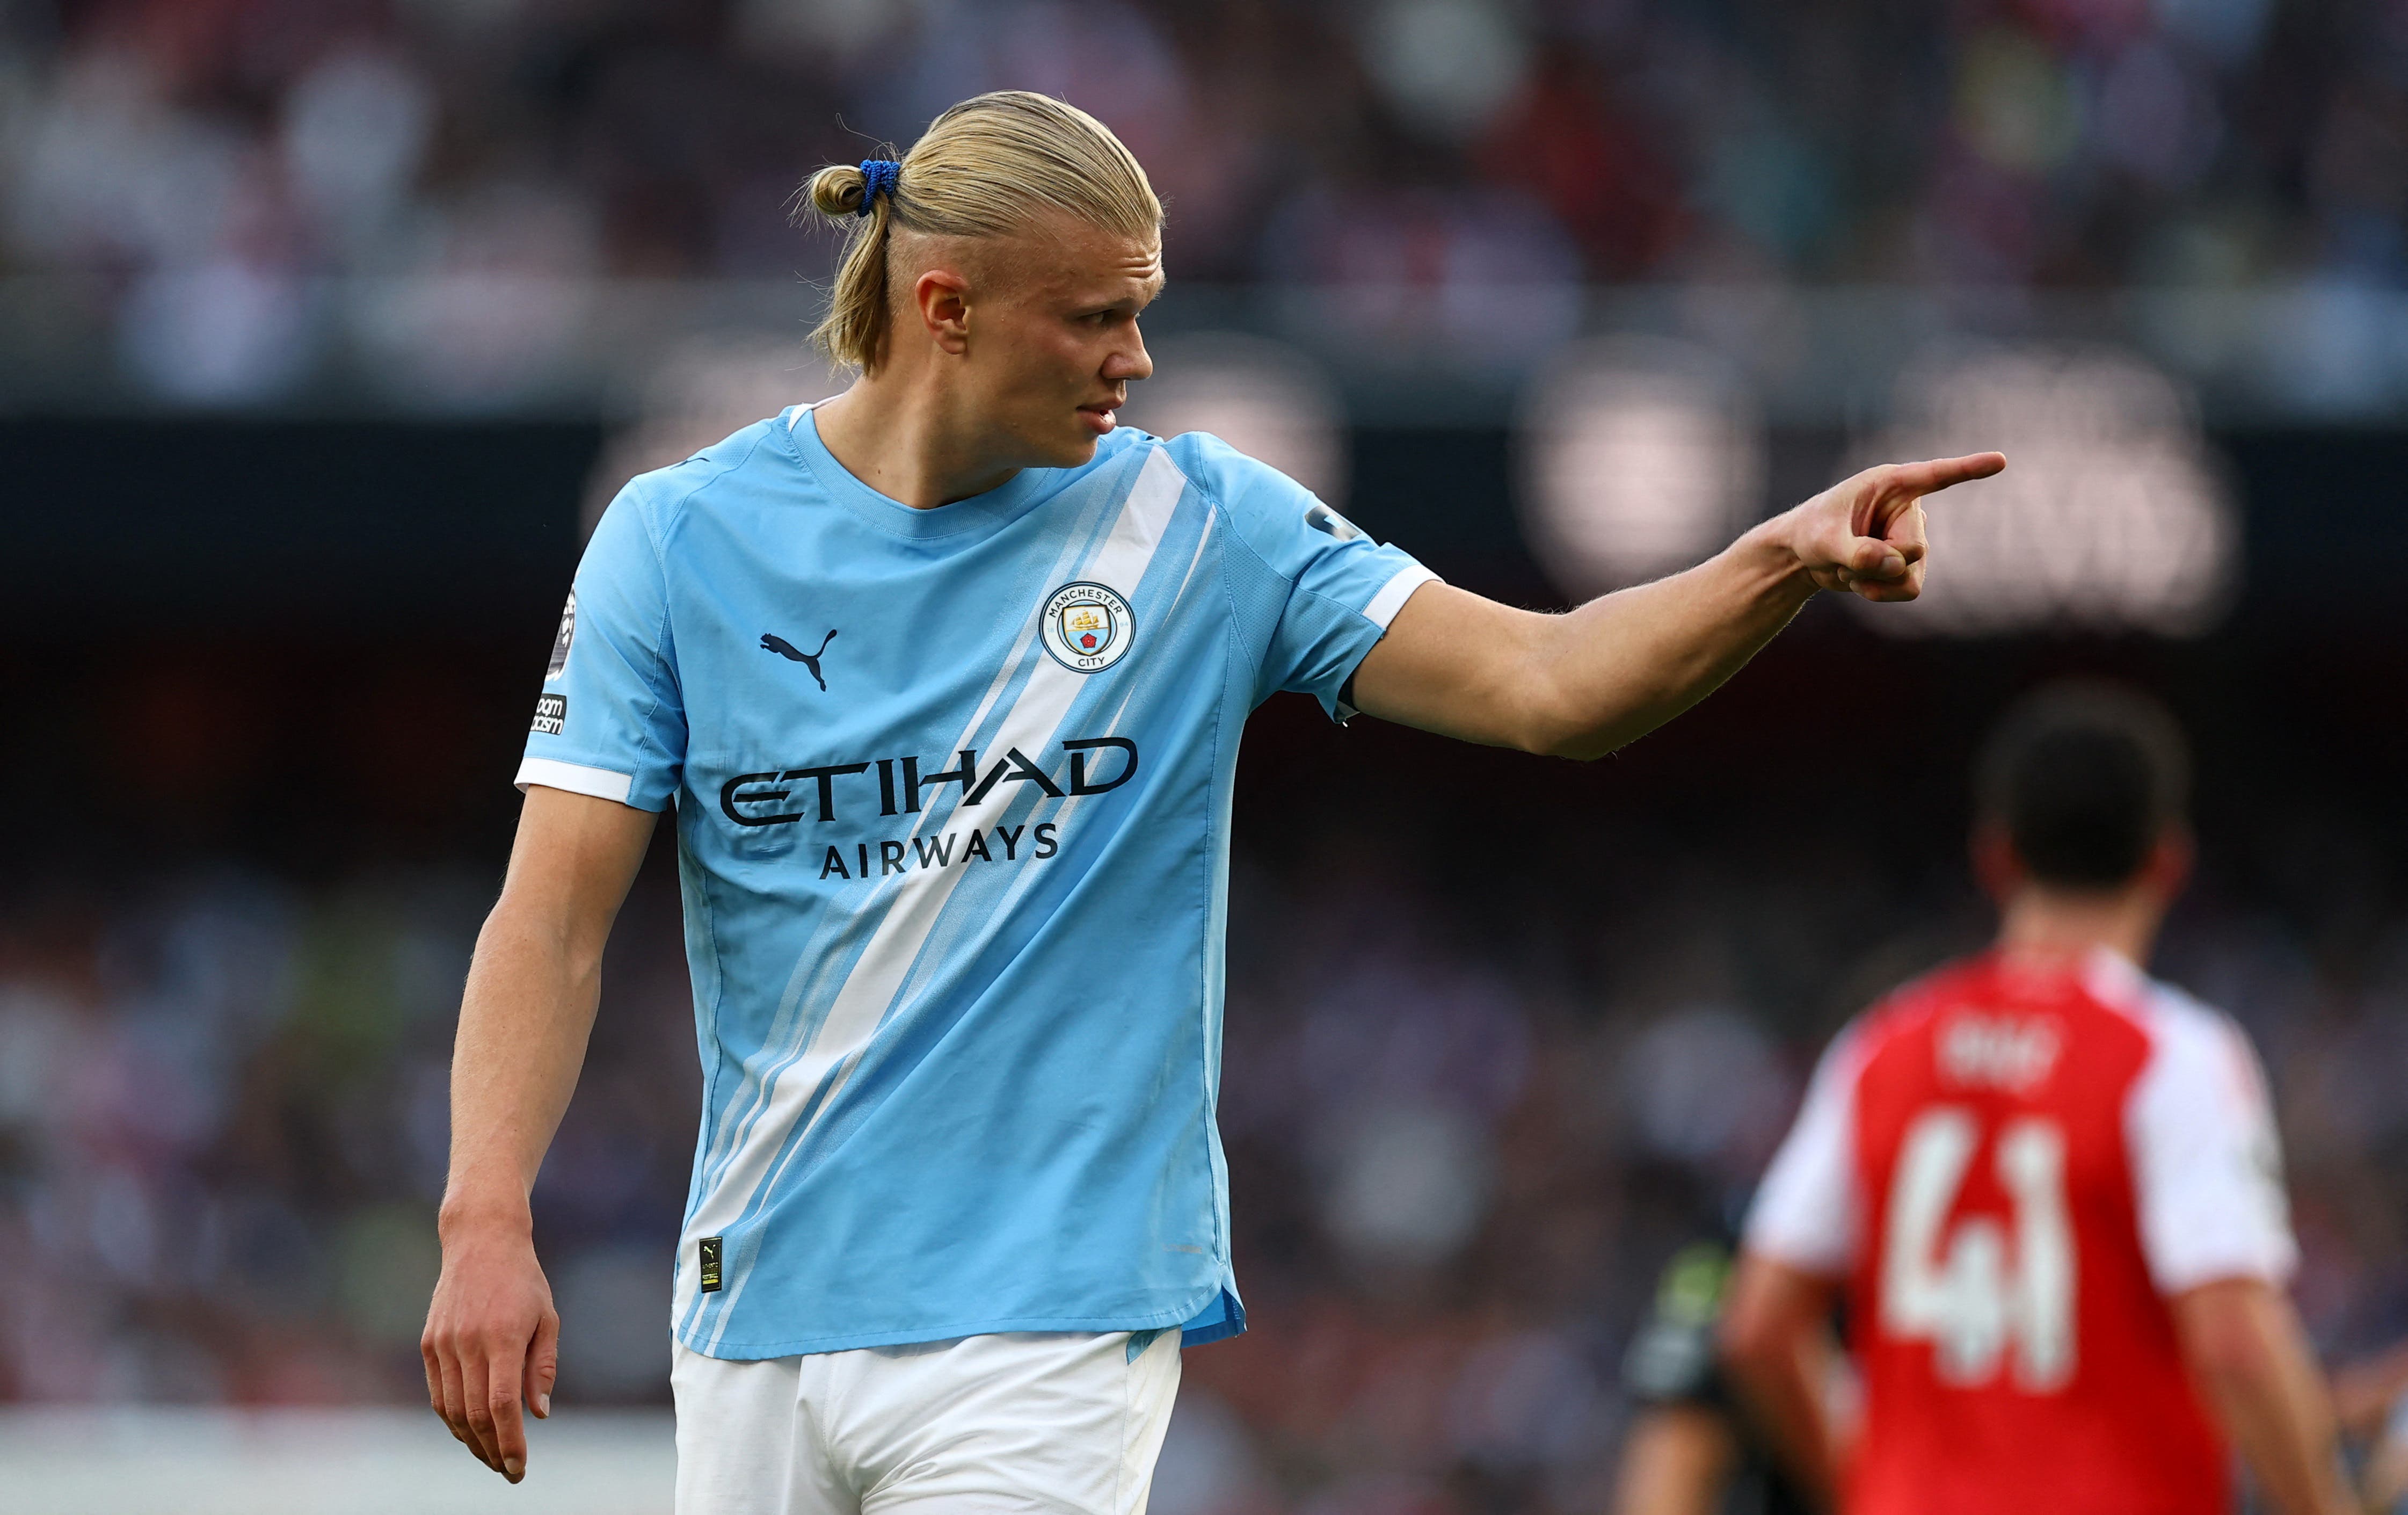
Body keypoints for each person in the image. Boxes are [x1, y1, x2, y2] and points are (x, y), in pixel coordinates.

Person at [419, 90, 2003, 1512]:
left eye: (1143, 312)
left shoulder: (1201, 524)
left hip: (1039, 1323)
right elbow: (550, 914)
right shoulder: (676, 538)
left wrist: (1772, 560)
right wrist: (483, 1217)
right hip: (751, 1311)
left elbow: (1551, 686)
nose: (1137, 359)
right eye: (1095, 320)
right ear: (944, 308)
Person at [1719, 684, 2354, 1515]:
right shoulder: (2171, 1055)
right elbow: (2233, 1339)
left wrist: (1866, 1482)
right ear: (2166, 861)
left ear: (1995, 856)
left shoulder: (1884, 1041)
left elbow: (1757, 1328)